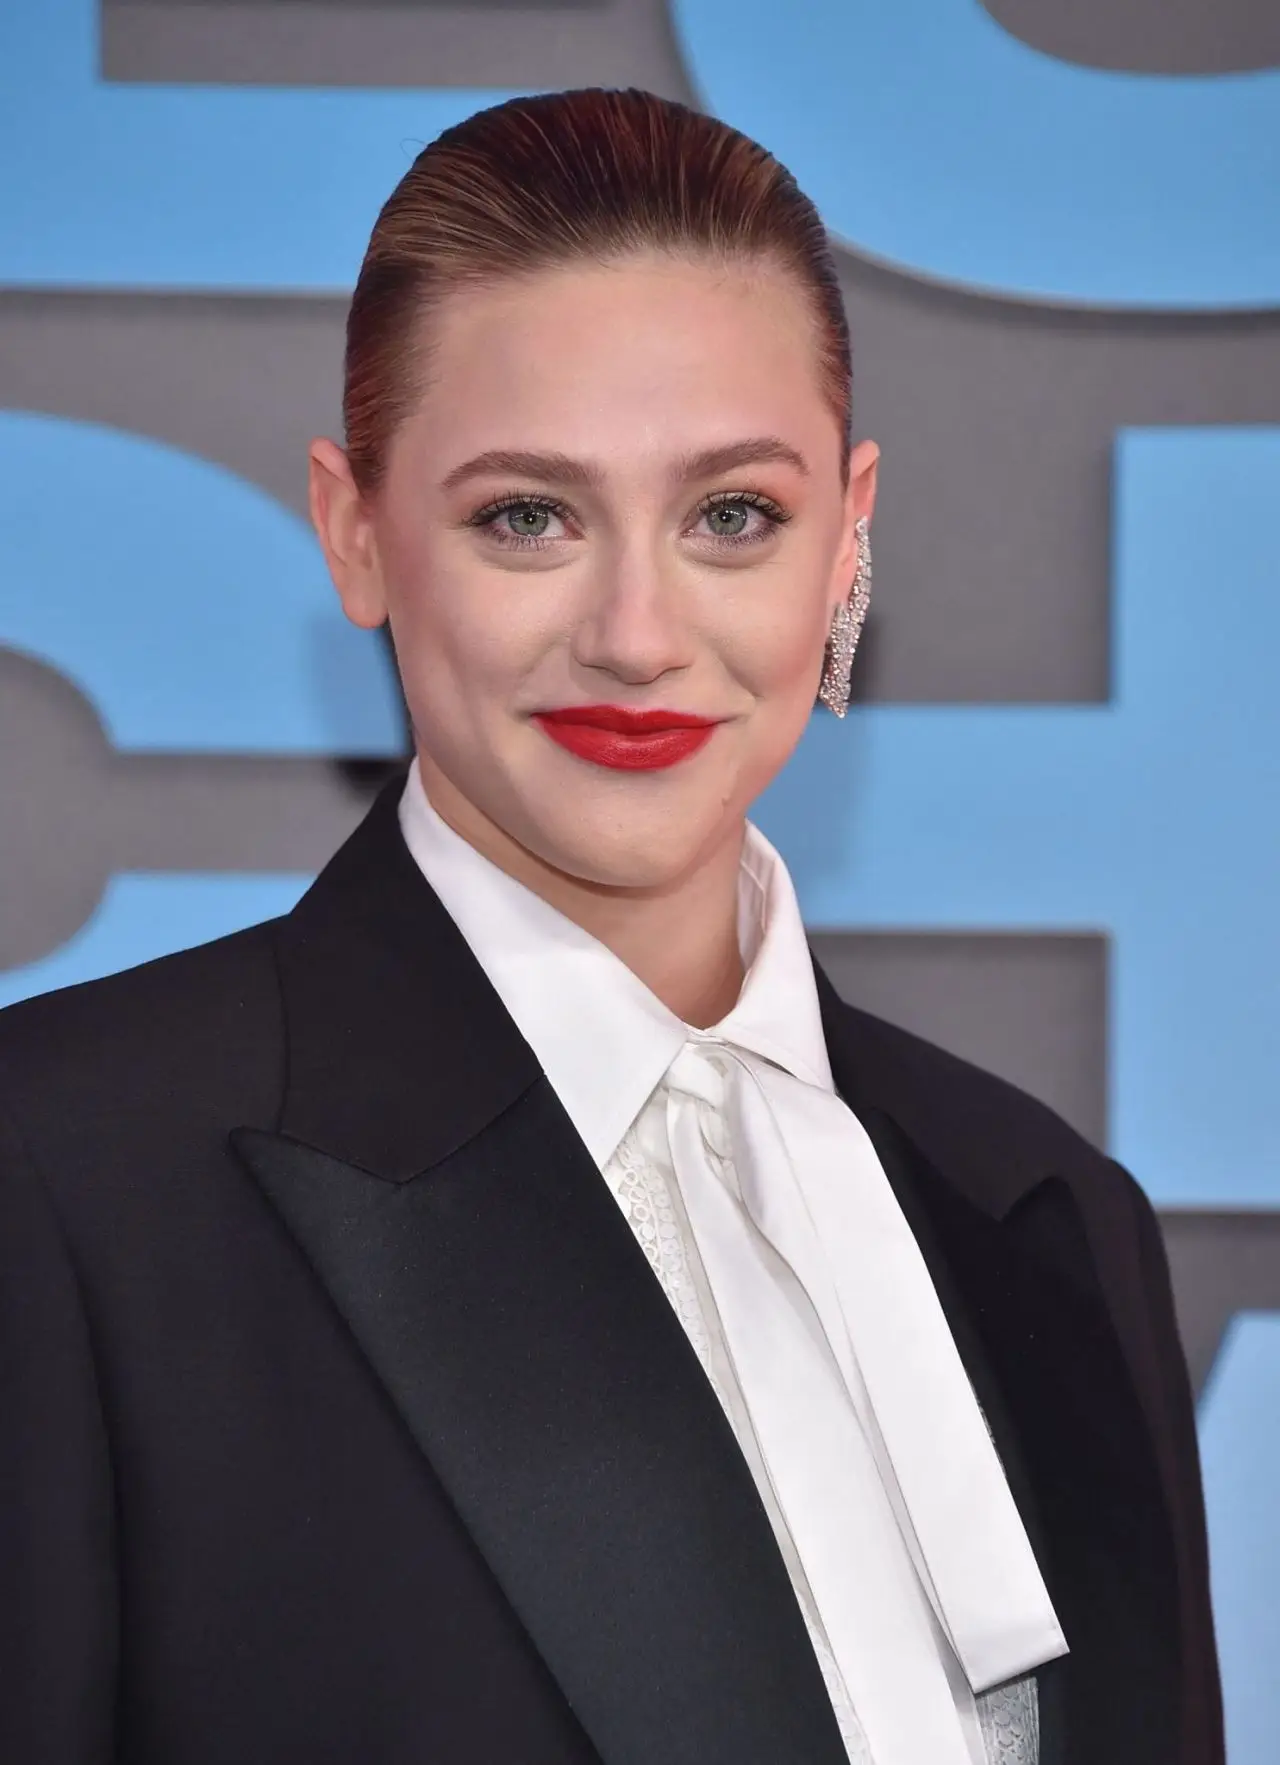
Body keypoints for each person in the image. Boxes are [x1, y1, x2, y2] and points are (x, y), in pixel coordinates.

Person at [0, 87, 1220, 1765]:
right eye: (528, 517)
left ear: (849, 531)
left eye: (734, 515)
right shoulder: (66, 1176)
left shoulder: (1054, 1218)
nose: (640, 634)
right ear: (356, 532)